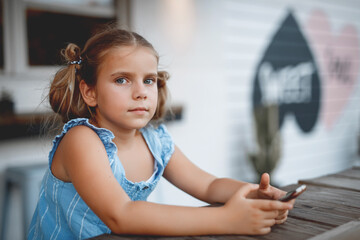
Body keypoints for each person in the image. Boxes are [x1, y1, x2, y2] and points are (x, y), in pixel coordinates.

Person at [27, 26, 294, 240]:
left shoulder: (155, 141)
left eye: (149, 80)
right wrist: (229, 219)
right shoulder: (82, 140)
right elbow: (121, 215)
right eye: (122, 79)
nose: (140, 91)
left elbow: (208, 185)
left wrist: (252, 194)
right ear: (90, 92)